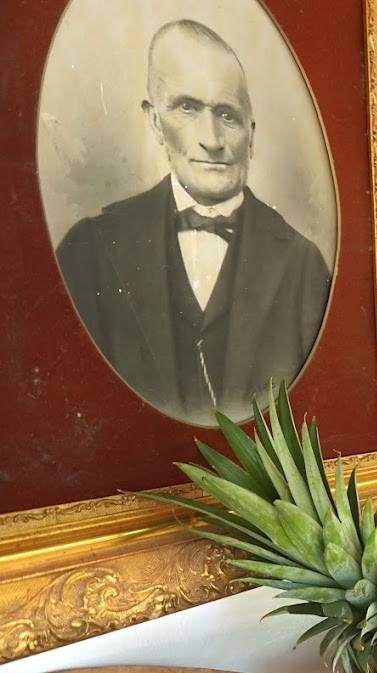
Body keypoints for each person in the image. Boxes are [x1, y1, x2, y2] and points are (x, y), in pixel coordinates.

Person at [55, 19, 331, 426]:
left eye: (227, 115)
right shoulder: (89, 251)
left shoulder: (305, 267)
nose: (212, 139)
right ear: (154, 121)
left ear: (251, 134)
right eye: (187, 108)